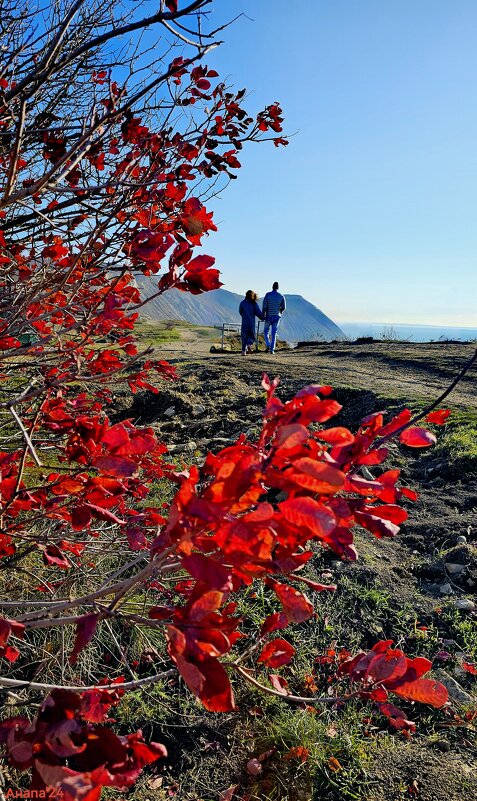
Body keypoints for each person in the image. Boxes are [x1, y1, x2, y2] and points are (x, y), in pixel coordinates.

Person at [262, 281, 286, 354]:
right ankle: (272, 350)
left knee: (266, 331)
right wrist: (280, 312)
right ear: (278, 288)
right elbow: (284, 307)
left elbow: (264, 306)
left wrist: (263, 314)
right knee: (274, 333)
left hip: (268, 316)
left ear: (272, 287)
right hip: (276, 317)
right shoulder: (281, 296)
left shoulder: (268, 295)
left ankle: (268, 344)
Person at [239, 290, 263, 355]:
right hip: (251, 323)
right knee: (252, 336)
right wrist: (263, 318)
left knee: (244, 337)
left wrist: (244, 316)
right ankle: (249, 344)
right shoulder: (254, 304)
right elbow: (258, 313)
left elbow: (240, 312)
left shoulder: (242, 303)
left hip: (244, 323)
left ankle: (243, 351)